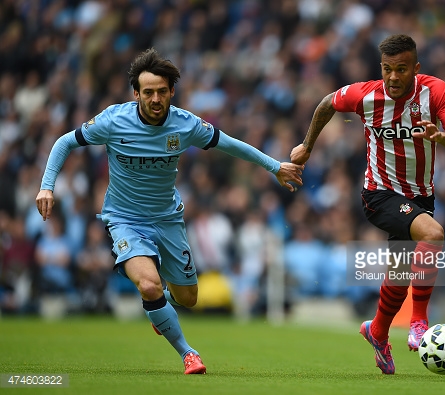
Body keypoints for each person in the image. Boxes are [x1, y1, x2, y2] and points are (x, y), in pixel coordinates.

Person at [36, 48, 304, 375]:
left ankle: (159, 308)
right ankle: (188, 353)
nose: (155, 98)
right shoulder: (113, 121)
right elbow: (65, 142)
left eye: (162, 91)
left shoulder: (185, 125)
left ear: (171, 92)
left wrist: (274, 166)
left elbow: (230, 144)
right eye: (147, 92)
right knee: (148, 286)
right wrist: (47, 185)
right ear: (136, 94)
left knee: (188, 298)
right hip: (124, 221)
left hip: (168, 220)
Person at [290, 34, 445, 374]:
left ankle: (377, 331)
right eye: (387, 69)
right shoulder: (366, 94)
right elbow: (327, 103)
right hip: (379, 194)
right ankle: (419, 322)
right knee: (434, 233)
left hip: (420, 196)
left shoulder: (436, 91)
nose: (393, 77)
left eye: (401, 69)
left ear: (416, 68)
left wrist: (440, 137)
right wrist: (307, 146)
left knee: (399, 273)